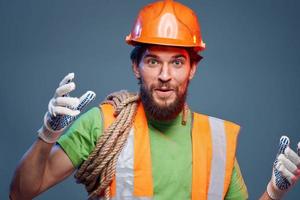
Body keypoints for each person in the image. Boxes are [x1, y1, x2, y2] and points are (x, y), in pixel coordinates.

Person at [9, 0, 300, 199]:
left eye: (176, 62)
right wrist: (48, 134)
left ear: (192, 69)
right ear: (136, 66)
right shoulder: (104, 124)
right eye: (152, 61)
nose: (164, 75)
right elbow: (20, 193)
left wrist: (274, 192)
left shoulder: (216, 141)